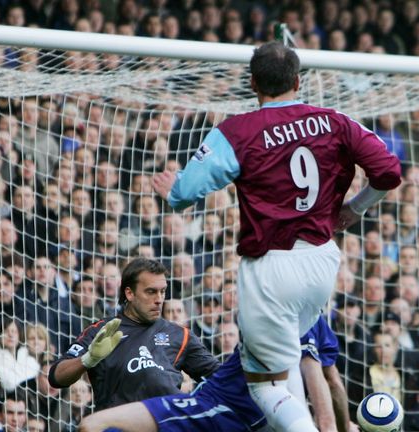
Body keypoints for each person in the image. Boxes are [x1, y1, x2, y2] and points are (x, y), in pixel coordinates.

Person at [152, 41, 401, 432]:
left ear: (252, 83)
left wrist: (173, 191)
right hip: (321, 262)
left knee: (266, 386)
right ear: (298, 82)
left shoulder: (237, 132)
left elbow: (185, 194)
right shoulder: (335, 121)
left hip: (272, 268)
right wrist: (356, 208)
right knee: (291, 366)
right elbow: (389, 171)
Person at [78, 315, 354, 432]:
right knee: (94, 425)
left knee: (93, 425)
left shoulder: (306, 323)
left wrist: (343, 427)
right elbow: (329, 405)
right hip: (215, 409)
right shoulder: (294, 320)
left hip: (234, 416)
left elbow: (331, 388)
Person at [48, 257, 219, 411]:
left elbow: (219, 378)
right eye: (151, 292)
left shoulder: (180, 335)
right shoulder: (103, 331)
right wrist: (89, 359)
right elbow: (56, 377)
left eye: (163, 291)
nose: (159, 299)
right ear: (129, 293)